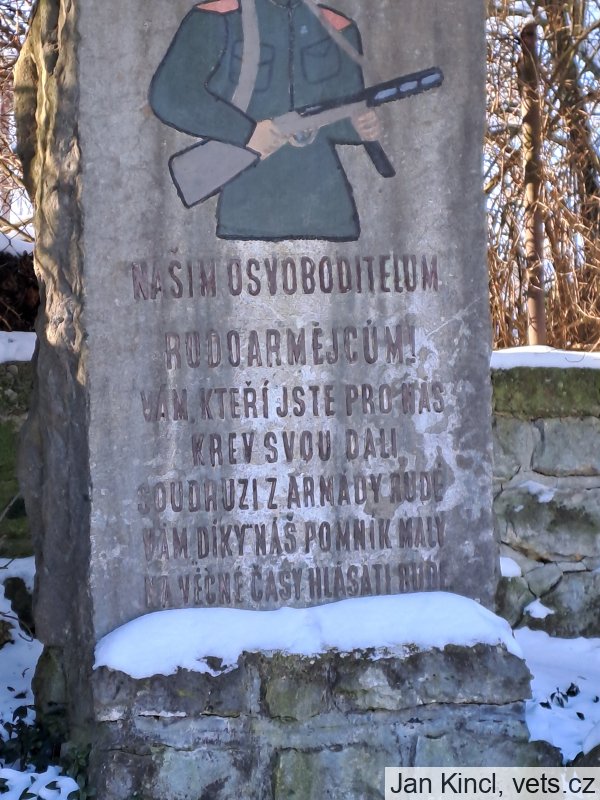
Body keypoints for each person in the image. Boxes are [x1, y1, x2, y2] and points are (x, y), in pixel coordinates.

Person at [150, 0, 385, 241]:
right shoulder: (218, 16)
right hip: (246, 209)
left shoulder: (338, 27)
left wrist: (358, 128)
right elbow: (171, 95)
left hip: (328, 210)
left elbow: (342, 109)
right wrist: (247, 132)